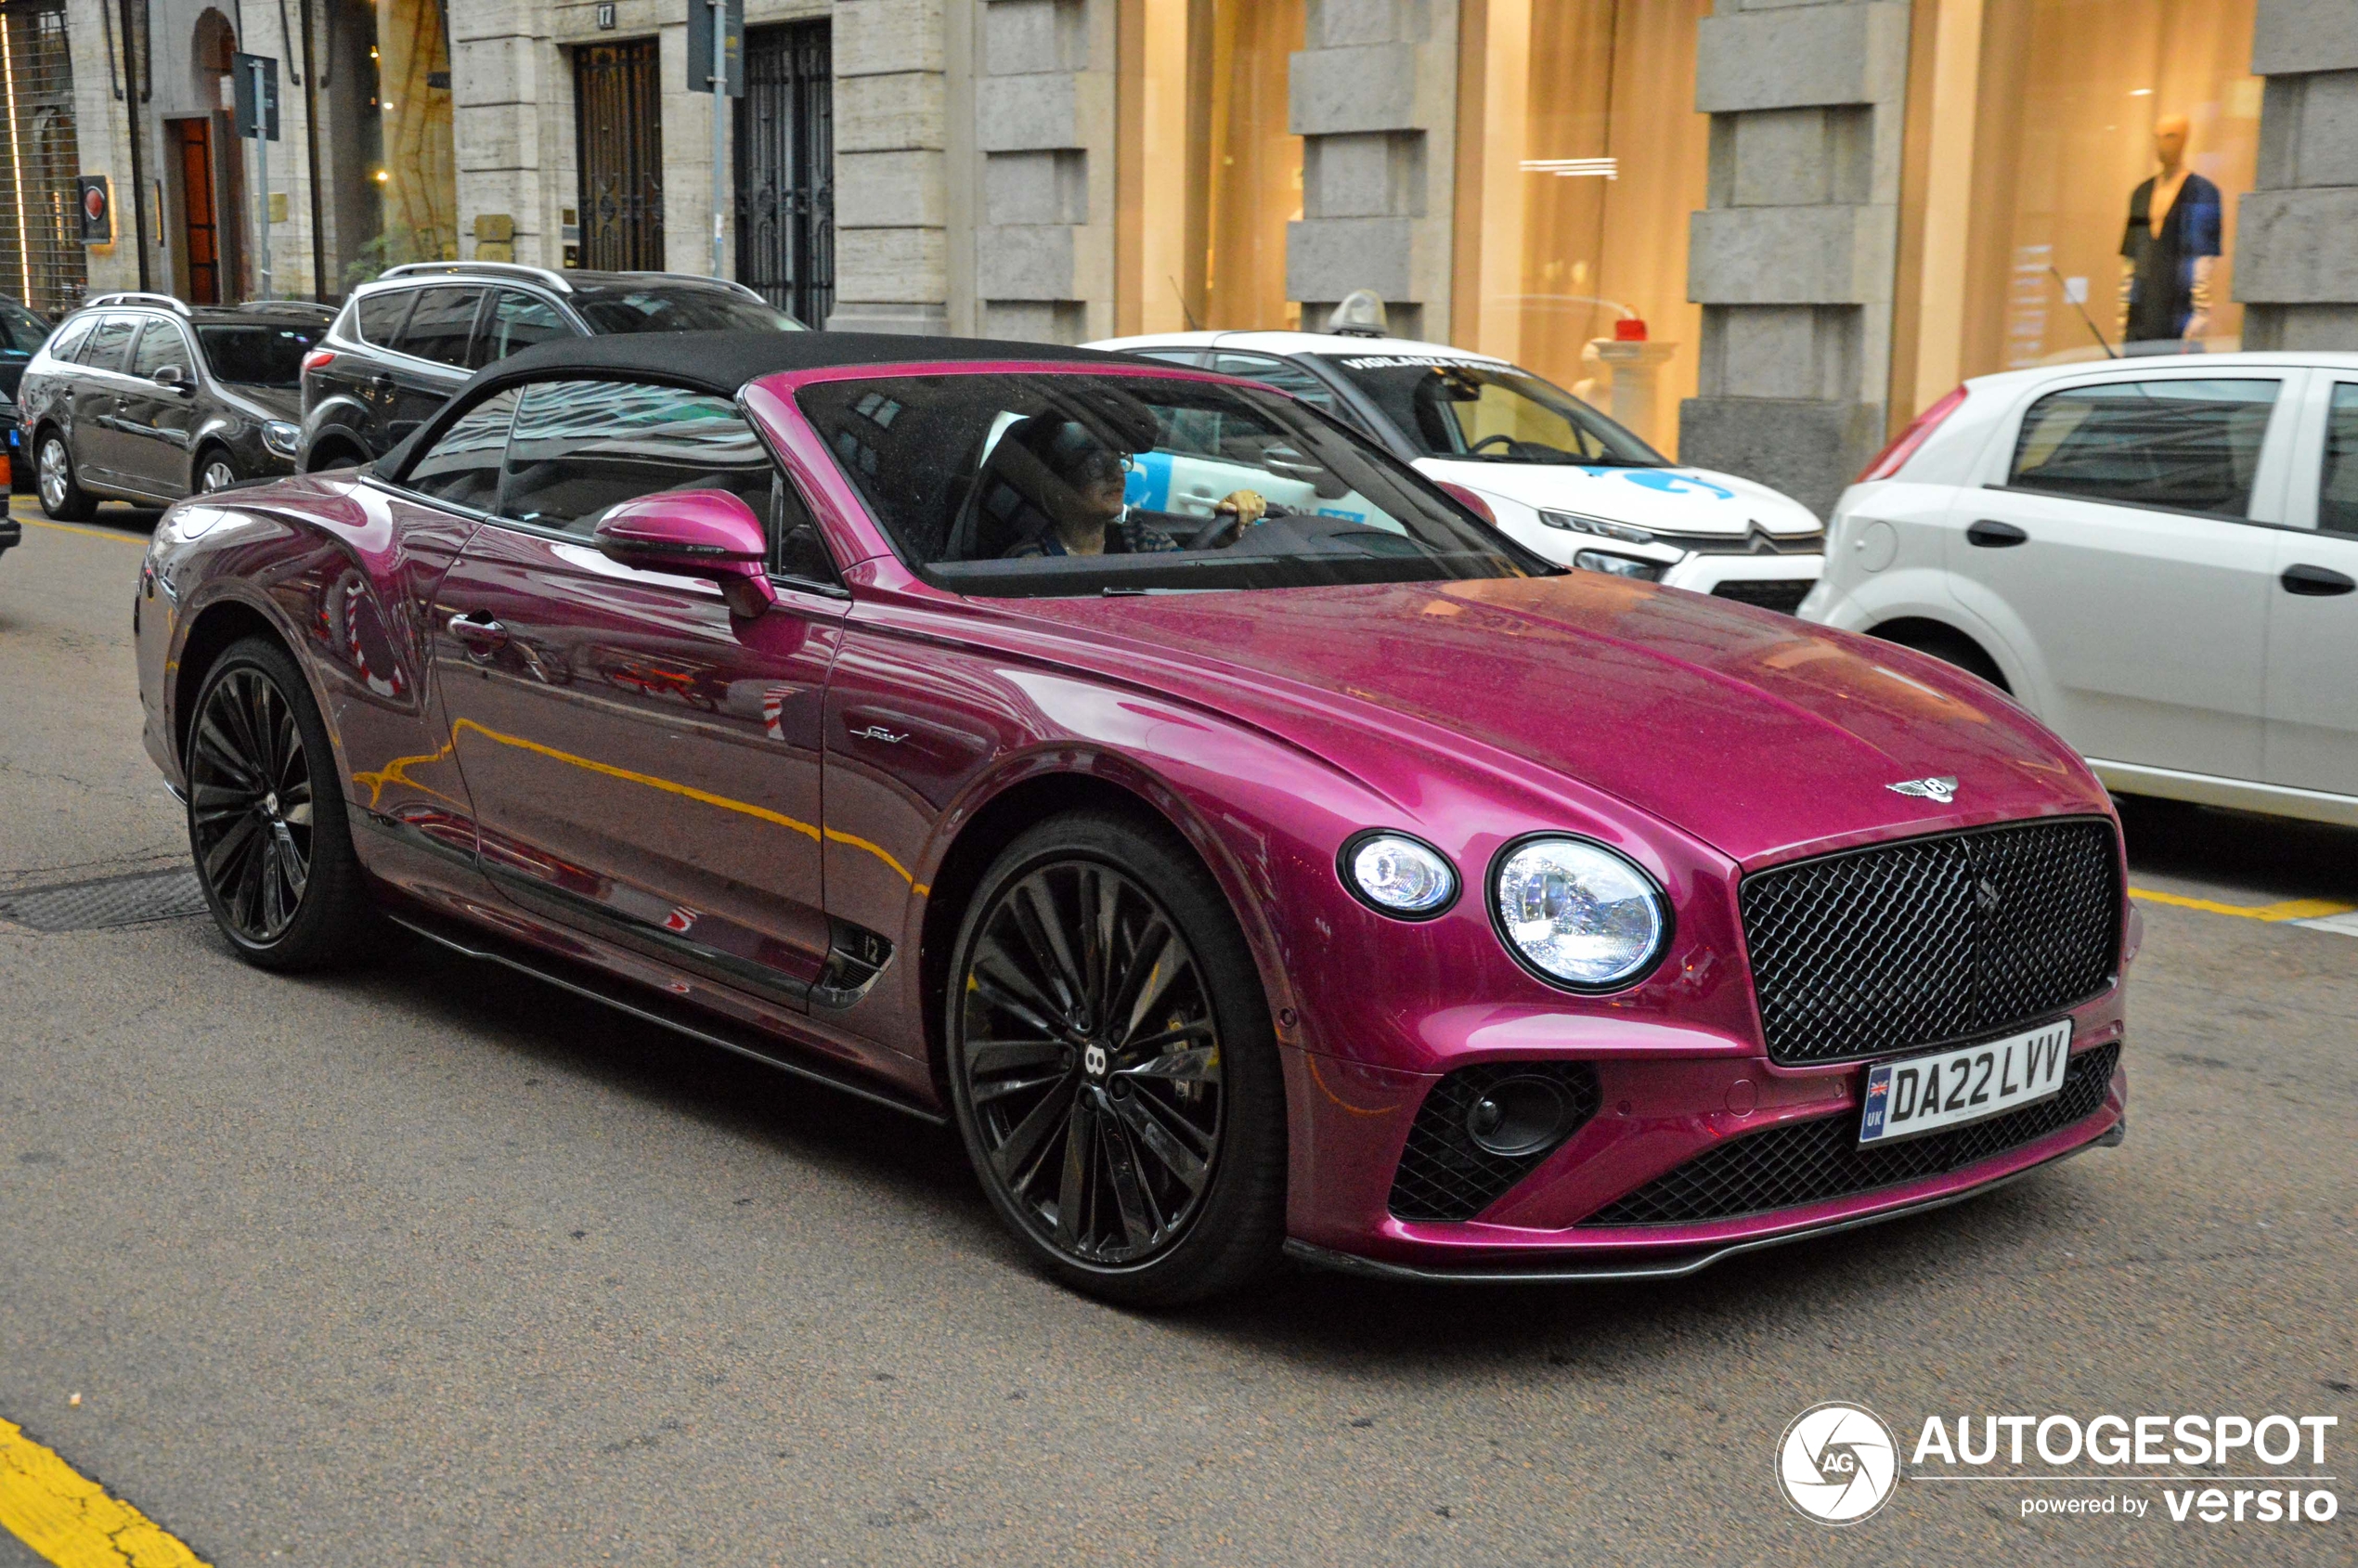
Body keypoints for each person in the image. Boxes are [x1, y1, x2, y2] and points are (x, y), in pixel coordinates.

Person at [996, 419, 1267, 558]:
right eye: (1096, 464)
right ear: (1056, 486)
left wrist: (1229, 532)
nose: (1115, 474)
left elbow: (1191, 579)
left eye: (1119, 460)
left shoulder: (1142, 541)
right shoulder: (1028, 561)